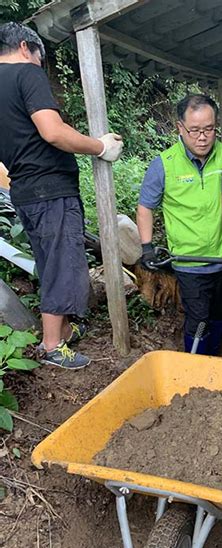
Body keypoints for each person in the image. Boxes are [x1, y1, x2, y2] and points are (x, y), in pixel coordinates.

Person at [0, 23, 123, 369]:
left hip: (23, 190)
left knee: (48, 260)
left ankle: (63, 329)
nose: (40, 65)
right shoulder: (26, 73)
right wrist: (100, 146)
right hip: (50, 189)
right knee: (62, 263)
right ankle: (53, 345)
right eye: (40, 58)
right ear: (26, 48)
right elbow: (52, 132)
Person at [137, 94, 222, 354]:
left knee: (220, 312)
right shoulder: (164, 164)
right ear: (180, 128)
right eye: (194, 130)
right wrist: (147, 246)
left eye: (209, 129)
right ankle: (194, 367)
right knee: (198, 319)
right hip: (189, 261)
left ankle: (214, 357)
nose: (203, 137)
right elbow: (145, 207)